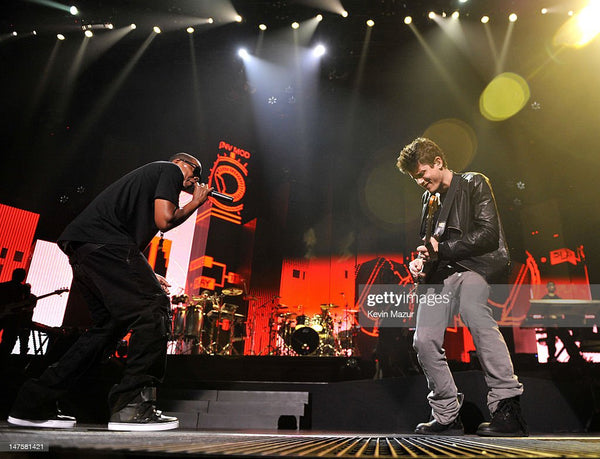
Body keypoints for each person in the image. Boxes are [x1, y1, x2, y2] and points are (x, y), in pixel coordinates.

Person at [8, 153, 213, 431]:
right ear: (180, 162)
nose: (194, 180)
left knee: (108, 328)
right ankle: (133, 406)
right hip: (104, 244)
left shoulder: (148, 184)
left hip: (88, 247)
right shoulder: (169, 170)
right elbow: (165, 220)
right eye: (194, 172)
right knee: (154, 308)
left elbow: (126, 245)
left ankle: (34, 402)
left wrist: (147, 273)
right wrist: (196, 203)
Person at [396, 137, 527, 436]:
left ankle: (508, 408)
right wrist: (420, 261)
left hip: (474, 267)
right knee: (423, 340)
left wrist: (441, 249)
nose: (419, 181)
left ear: (439, 162)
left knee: (474, 312)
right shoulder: (428, 200)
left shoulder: (474, 183)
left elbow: (488, 235)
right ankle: (446, 416)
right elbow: (431, 245)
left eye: (421, 174)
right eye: (414, 178)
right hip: (438, 274)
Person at [543, 281, 584, 363]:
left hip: (559, 322)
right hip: (550, 323)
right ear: (547, 288)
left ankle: (575, 357)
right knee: (551, 342)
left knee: (567, 339)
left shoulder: (558, 299)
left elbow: (564, 310)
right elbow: (542, 311)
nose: (551, 287)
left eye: (553, 286)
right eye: (550, 286)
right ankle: (552, 358)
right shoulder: (544, 299)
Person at [0, 268, 36, 359]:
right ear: (23, 278)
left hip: (6, 317)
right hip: (13, 320)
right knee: (8, 342)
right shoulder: (23, 289)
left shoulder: (2, 286)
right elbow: (27, 303)